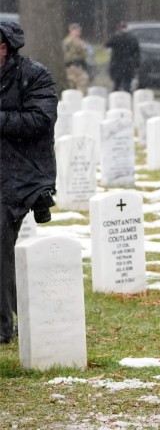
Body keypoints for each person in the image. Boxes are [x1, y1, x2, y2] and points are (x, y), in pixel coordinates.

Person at [0, 21, 58, 345]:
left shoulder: (35, 76)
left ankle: (2, 326)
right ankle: (14, 314)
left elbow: (41, 120)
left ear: (6, 47)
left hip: (24, 173)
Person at [105, 22, 141, 92]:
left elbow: (107, 45)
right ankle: (127, 96)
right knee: (127, 84)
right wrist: (136, 63)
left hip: (117, 63)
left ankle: (115, 96)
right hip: (128, 64)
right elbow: (137, 52)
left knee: (117, 83)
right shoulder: (132, 38)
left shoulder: (116, 37)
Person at [62, 22, 90, 92]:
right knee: (82, 85)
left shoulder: (66, 41)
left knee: (72, 86)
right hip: (76, 66)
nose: (79, 32)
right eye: (77, 30)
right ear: (72, 31)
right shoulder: (75, 41)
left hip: (70, 66)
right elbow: (83, 53)